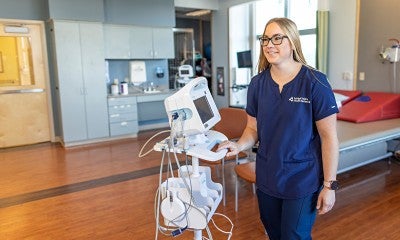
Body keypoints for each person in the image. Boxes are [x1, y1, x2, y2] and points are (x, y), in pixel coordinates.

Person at [217, 17, 339, 240]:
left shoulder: (315, 82)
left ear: (292, 42)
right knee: (273, 233)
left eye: (277, 38)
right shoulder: (257, 84)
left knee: (294, 235)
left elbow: (329, 137)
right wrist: (238, 145)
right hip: (268, 175)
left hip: (302, 177)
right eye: (265, 39)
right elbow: (252, 128)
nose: (269, 44)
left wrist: (329, 186)